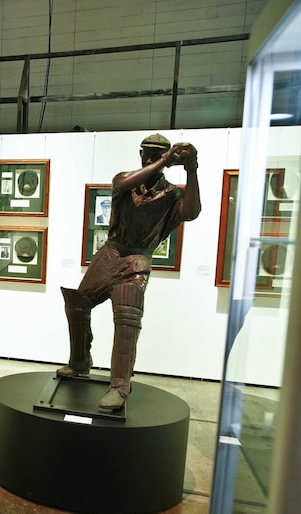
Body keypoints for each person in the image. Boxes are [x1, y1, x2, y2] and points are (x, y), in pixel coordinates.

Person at [57, 134, 201, 410]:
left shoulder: (171, 194)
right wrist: (164, 160)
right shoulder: (126, 182)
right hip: (109, 253)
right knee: (77, 304)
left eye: (155, 154)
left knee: (126, 321)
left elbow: (192, 212)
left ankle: (120, 385)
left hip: (136, 259)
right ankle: (79, 361)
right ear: (141, 154)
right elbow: (122, 182)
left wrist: (192, 169)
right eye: (146, 154)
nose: (149, 158)